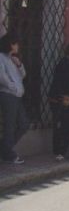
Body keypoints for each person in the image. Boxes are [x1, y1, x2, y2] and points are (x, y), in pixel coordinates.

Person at [0, 33, 29, 164]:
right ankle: (8, 153)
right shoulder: (1, 58)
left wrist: (19, 64)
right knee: (10, 126)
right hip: (8, 95)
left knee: (23, 124)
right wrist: (13, 88)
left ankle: (5, 148)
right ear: (10, 44)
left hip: (17, 96)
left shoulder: (12, 58)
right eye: (16, 43)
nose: (18, 46)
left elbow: (23, 75)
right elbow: (2, 77)